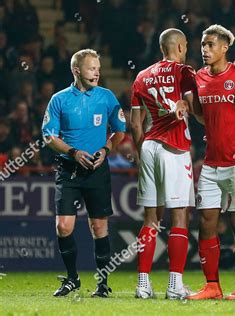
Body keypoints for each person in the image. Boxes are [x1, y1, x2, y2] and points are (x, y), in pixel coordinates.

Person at [42, 48, 126, 298]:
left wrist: (106, 148)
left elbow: (119, 130)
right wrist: (73, 152)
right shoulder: (59, 99)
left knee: (99, 227)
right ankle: (72, 279)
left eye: (98, 68)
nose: (97, 72)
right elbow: (49, 137)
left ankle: (102, 284)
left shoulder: (107, 97)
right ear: (76, 70)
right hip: (69, 170)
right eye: (92, 68)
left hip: (98, 171)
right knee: (63, 227)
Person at [185, 24, 235, 301]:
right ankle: (212, 285)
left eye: (211, 44)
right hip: (211, 162)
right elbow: (201, 115)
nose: (205, 49)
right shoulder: (200, 77)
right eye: (203, 44)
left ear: (225, 47)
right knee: (206, 221)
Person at [130, 28, 200, 300]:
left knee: (151, 218)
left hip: (149, 146)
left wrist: (142, 152)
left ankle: (143, 284)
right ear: (181, 46)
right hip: (174, 147)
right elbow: (192, 108)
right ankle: (175, 284)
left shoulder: (141, 76)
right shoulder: (184, 72)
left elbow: (135, 123)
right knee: (179, 215)